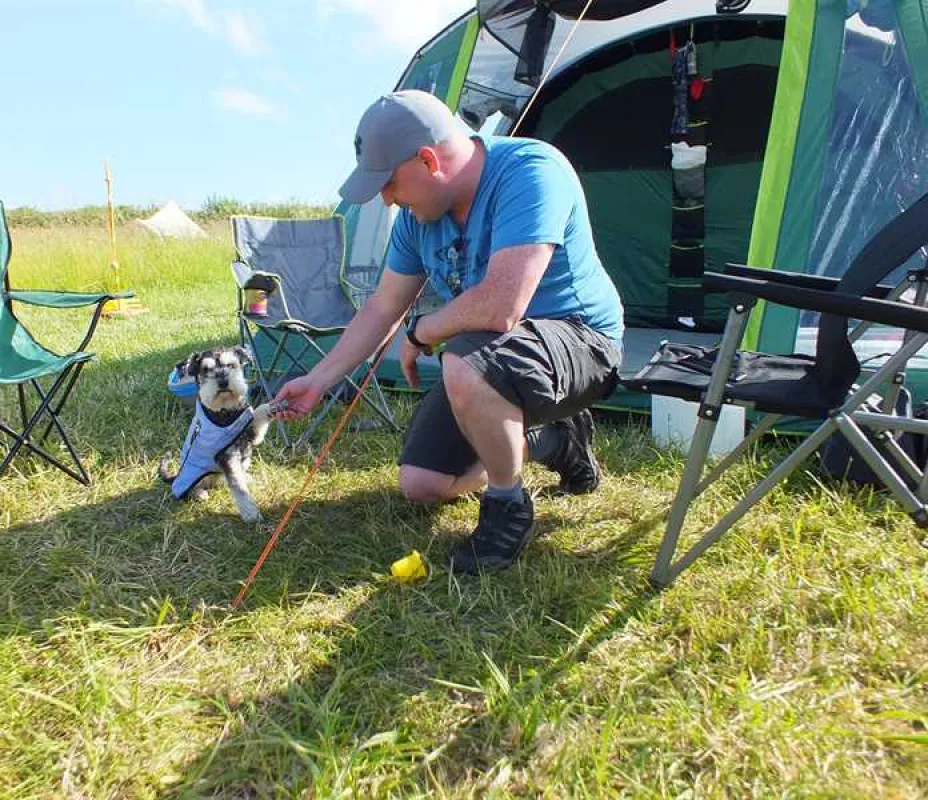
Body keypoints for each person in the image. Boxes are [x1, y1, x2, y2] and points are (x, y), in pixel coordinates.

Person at [274, 90, 624, 575]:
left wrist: (422, 333)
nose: (386, 199)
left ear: (428, 159)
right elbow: (382, 307)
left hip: (583, 344)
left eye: (390, 183)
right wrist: (320, 379)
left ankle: (507, 506)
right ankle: (553, 442)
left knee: (463, 358)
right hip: (500, 356)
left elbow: (502, 305)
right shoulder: (417, 221)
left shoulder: (531, 171)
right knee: (421, 484)